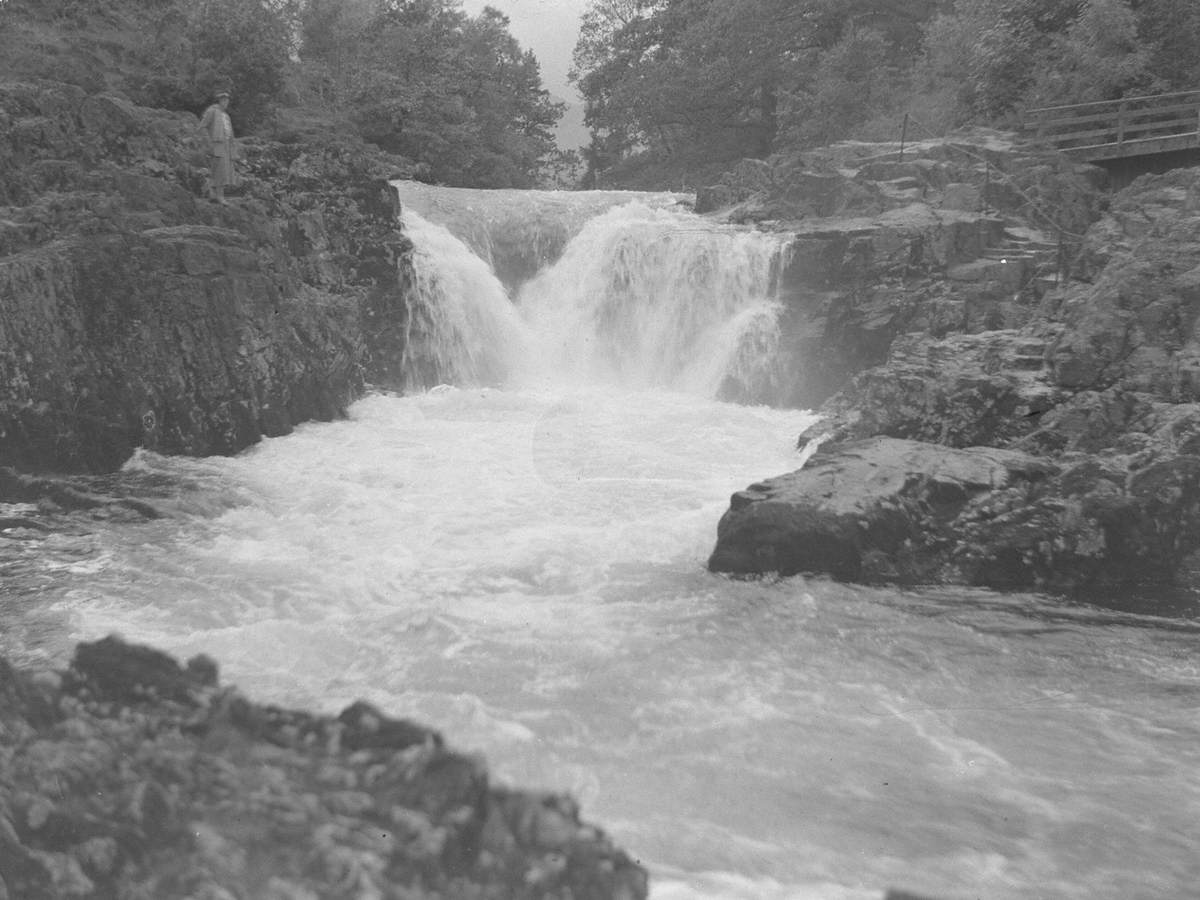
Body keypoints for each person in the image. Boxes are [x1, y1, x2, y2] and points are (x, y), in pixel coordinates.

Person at [199, 90, 235, 203]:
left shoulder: (226, 116)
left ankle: (214, 194)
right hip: (217, 144)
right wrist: (209, 143)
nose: (226, 102)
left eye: (227, 100)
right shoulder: (212, 111)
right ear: (219, 100)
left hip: (227, 145)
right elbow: (202, 127)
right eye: (223, 100)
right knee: (219, 169)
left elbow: (230, 133)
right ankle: (219, 196)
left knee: (225, 170)